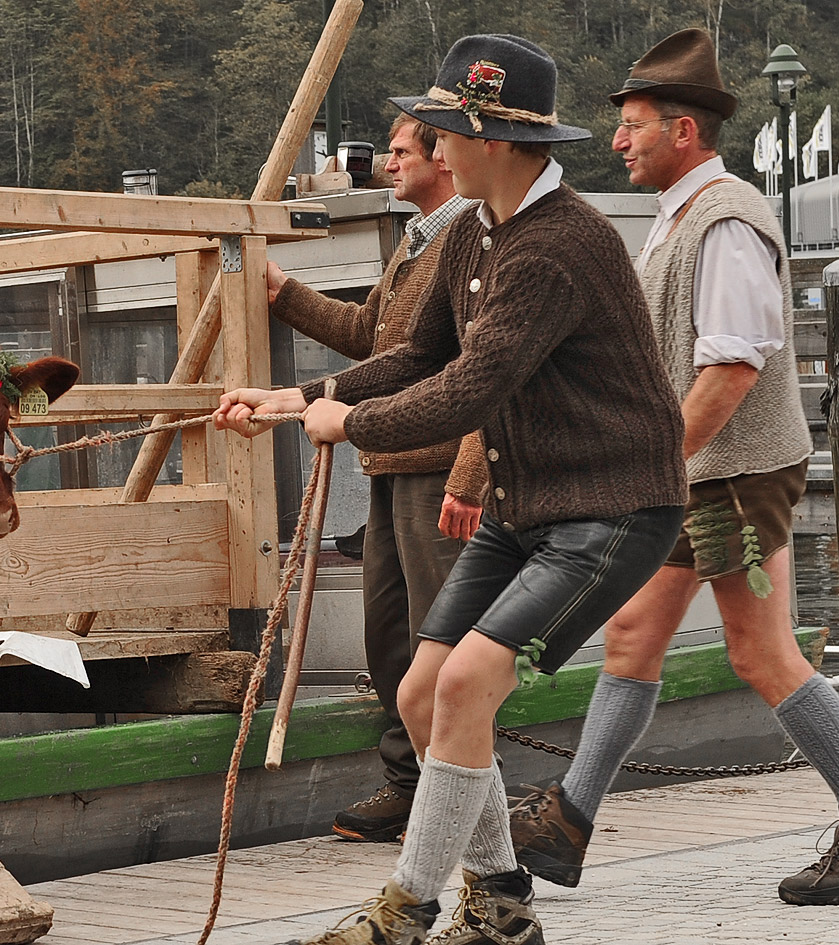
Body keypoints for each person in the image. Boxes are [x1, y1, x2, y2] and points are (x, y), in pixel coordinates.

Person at [218, 34, 688, 945]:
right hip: (530, 508)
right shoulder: (477, 226)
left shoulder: (560, 247)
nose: (432, 148)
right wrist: (297, 398)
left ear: (497, 141)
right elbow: (417, 353)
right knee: (422, 693)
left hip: (616, 508)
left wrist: (349, 425)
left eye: (444, 132)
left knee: (466, 682)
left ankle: (405, 910)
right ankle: (503, 903)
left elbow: (472, 388)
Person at [508, 27, 839, 906]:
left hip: (730, 473)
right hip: (700, 473)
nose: (618, 140)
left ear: (684, 131)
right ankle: (568, 822)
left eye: (633, 125)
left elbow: (732, 370)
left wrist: (644, 465)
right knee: (633, 636)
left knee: (759, 650)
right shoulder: (685, 214)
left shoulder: (726, 219)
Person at [266, 112, 487, 844]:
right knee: (388, 637)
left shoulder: (468, 238)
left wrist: (469, 474)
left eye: (400, 153)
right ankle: (411, 783)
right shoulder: (416, 242)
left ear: (441, 161)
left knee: (442, 640)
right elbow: (373, 340)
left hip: (438, 473)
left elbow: (473, 370)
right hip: (391, 465)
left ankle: (455, 796)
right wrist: (282, 293)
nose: (388, 166)